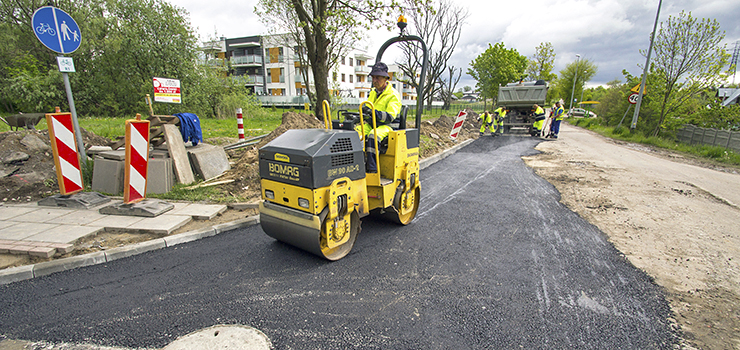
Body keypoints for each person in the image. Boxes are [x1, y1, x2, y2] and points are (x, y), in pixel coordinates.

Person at [357, 62, 401, 173]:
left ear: (386, 78)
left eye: (378, 78)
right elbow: (367, 108)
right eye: (373, 78)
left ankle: (372, 169)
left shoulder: (393, 95)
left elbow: (390, 116)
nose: (375, 80)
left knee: (373, 135)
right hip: (372, 124)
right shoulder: (372, 93)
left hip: (387, 126)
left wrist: (373, 113)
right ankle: (358, 164)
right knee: (354, 134)